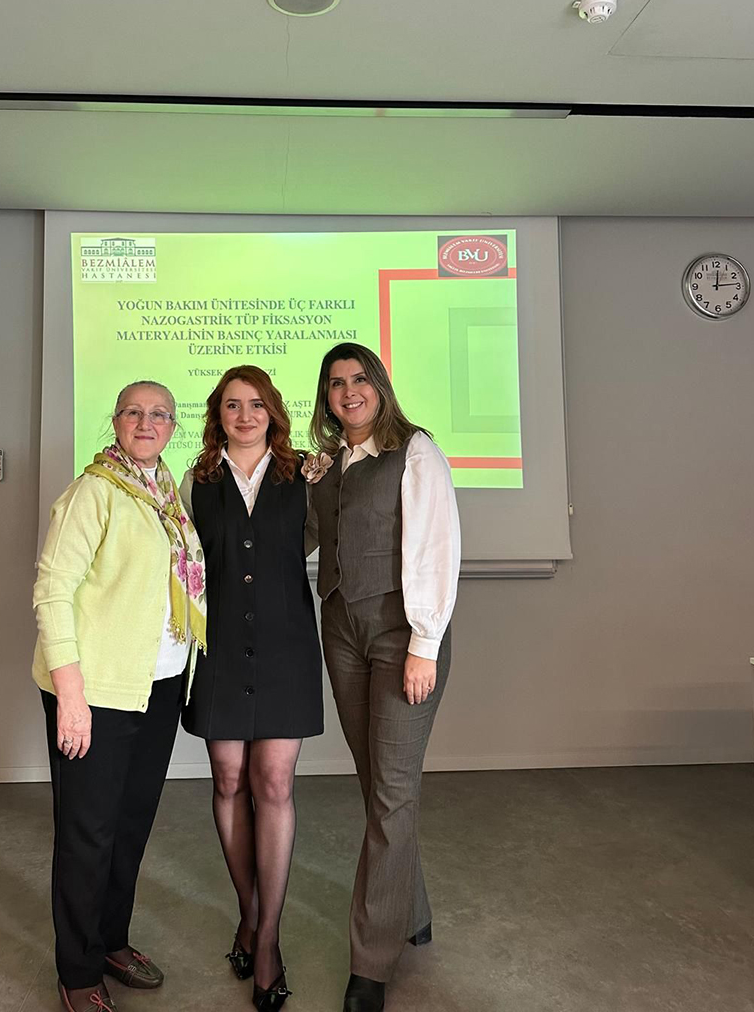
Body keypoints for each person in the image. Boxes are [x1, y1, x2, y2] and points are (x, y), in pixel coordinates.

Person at [32, 380, 207, 1012]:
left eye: (160, 414)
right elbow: (52, 591)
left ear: (173, 427)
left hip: (157, 686)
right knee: (88, 833)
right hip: (96, 693)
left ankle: (110, 940)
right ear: (116, 420)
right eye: (134, 411)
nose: (147, 421)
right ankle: (78, 972)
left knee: (129, 826)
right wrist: (71, 696)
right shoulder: (94, 491)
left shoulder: (166, 495)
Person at [304, 344, 460, 1012]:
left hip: (402, 636)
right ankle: (411, 911)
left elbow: (436, 547)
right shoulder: (329, 464)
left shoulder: (415, 452)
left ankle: (370, 963)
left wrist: (425, 642)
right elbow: (306, 540)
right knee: (378, 785)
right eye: (336, 383)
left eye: (359, 378)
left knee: (393, 794)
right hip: (341, 629)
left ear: (380, 385)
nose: (349, 391)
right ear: (326, 396)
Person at [180, 365, 323, 1012]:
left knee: (274, 783)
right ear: (218, 413)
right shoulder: (197, 481)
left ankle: (267, 939)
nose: (245, 415)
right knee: (229, 779)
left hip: (287, 647)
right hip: (220, 650)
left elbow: (319, 542)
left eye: (257, 404)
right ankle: (248, 912)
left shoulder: (307, 476)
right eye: (233, 405)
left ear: (273, 412)